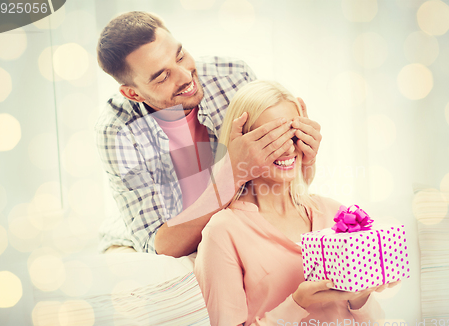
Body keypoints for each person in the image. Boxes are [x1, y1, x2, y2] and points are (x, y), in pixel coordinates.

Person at [95, 12, 322, 257]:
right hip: (148, 239)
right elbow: (160, 246)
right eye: (163, 76)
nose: (186, 76)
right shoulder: (118, 130)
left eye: (180, 56)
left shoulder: (233, 76)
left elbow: (277, 187)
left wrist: (305, 158)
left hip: (231, 218)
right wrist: (233, 173)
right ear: (133, 94)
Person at [194, 81, 399, 326]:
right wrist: (297, 303)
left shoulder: (335, 214)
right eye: (271, 138)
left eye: (295, 133)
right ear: (243, 146)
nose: (289, 147)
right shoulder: (223, 231)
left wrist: (360, 295)